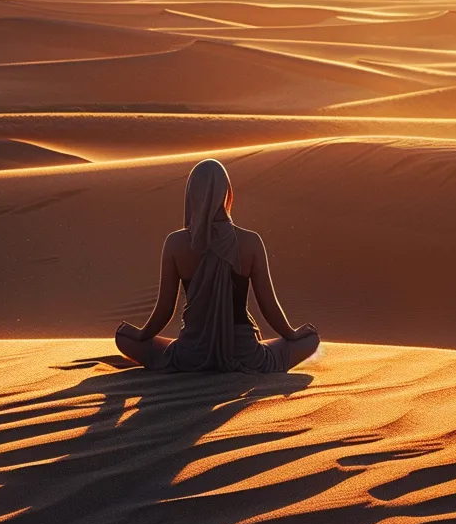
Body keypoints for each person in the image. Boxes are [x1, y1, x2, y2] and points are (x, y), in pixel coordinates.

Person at [115, 158, 320, 373]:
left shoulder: (175, 243)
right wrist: (293, 334)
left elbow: (166, 310)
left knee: (124, 338)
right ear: (227, 192)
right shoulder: (251, 242)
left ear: (191, 194)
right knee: (311, 339)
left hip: (191, 354)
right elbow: (268, 306)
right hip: (245, 354)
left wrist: (140, 335)